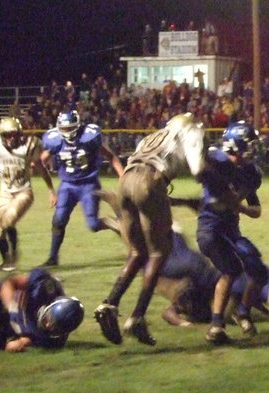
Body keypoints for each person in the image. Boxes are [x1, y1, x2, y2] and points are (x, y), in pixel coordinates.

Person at [94, 113, 207, 346]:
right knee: (158, 253)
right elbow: (198, 170)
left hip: (126, 180)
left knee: (137, 252)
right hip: (150, 180)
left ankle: (109, 303)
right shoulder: (190, 130)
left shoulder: (156, 135)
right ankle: (137, 318)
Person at [189, 121, 269, 344]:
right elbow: (197, 170)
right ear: (236, 145)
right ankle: (216, 325)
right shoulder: (216, 160)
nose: (254, 150)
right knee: (231, 269)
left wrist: (240, 207)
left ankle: (242, 312)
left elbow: (256, 209)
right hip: (210, 228)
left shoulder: (251, 173)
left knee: (260, 271)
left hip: (232, 231)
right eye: (250, 145)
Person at [39, 109, 125, 267]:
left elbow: (111, 156)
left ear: (77, 126)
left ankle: (113, 223)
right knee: (58, 220)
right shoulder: (55, 141)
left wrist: (123, 177)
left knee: (93, 225)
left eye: (68, 128)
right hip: (67, 186)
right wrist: (50, 190)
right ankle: (53, 257)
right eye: (63, 128)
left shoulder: (88, 138)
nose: (65, 132)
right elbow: (39, 162)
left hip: (88, 184)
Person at [0, 117, 56, 272]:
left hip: (23, 191)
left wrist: (51, 190)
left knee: (9, 219)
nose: (12, 138)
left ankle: (14, 254)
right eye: (8, 135)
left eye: (15, 134)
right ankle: (7, 260)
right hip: (5, 191)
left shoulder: (29, 146)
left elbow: (41, 168)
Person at [0, 268, 84, 352]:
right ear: (50, 305)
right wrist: (11, 304)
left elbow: (24, 341)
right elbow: (9, 283)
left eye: (54, 327)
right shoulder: (43, 287)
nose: (47, 325)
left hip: (8, 328)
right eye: (50, 319)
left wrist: (21, 343)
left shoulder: (55, 341)